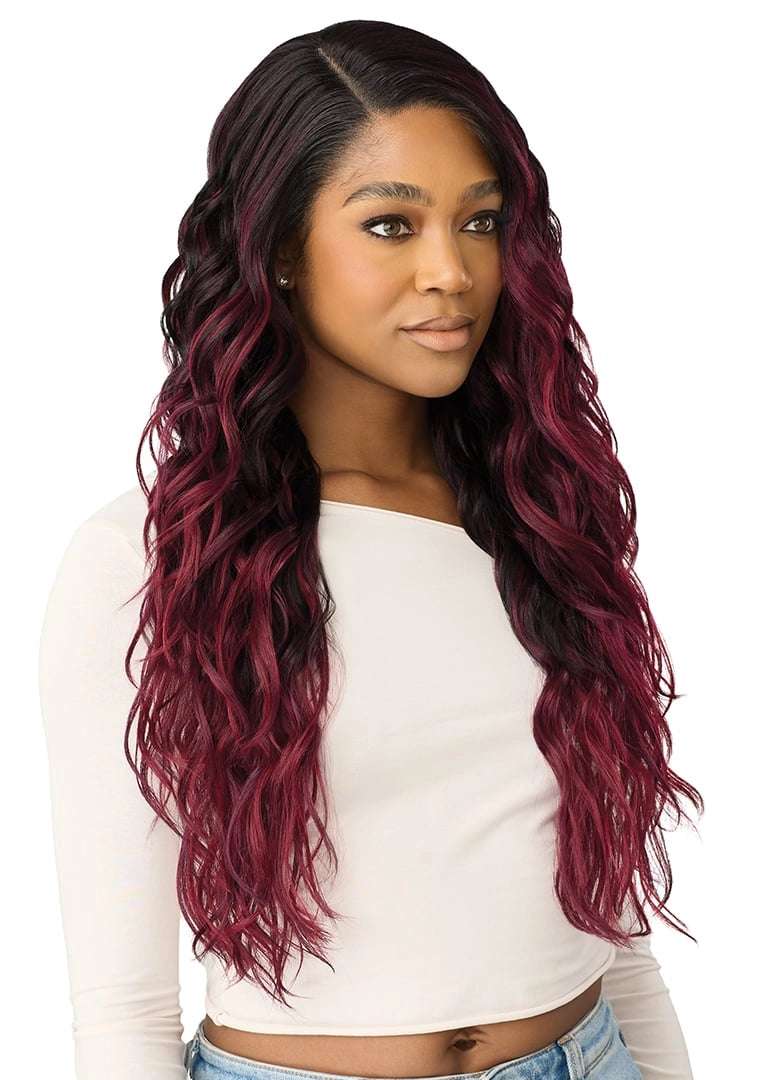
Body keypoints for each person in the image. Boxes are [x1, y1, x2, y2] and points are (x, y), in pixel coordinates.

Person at [38, 19, 703, 1080]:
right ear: (279, 250)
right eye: (391, 225)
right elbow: (122, 1007)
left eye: (479, 221)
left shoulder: (537, 514)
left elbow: (608, 926)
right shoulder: (144, 558)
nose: (452, 271)